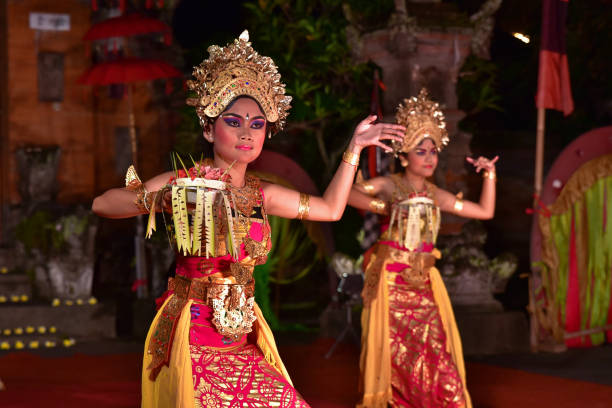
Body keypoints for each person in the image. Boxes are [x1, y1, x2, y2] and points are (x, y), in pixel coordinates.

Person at [92, 30, 404, 408]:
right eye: (234, 121)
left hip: (242, 334)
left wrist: (355, 148)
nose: (247, 133)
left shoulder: (262, 194)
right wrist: (171, 197)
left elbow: (330, 209)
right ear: (208, 128)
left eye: (257, 124)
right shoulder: (186, 182)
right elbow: (103, 204)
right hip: (192, 334)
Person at [349, 89, 498, 408]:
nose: (430, 157)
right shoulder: (390, 184)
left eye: (433, 150)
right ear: (403, 155)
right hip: (391, 281)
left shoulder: (437, 194)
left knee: (435, 351)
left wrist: (490, 176)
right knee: (395, 351)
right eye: (421, 150)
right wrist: (385, 206)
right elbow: (348, 194)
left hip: (425, 283)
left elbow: (484, 212)